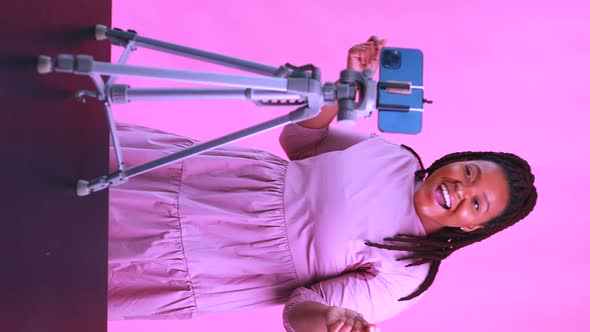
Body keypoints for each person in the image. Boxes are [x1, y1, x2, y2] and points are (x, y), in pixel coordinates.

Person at [107, 36, 538, 332]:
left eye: (476, 204)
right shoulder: (396, 159)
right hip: (203, 178)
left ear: (472, 227)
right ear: (458, 160)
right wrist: (342, 89)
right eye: (469, 172)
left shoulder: (409, 277)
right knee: (71, 171)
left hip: (206, 256)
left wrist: (330, 322)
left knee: (73, 247)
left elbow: (299, 310)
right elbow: (301, 140)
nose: (461, 189)